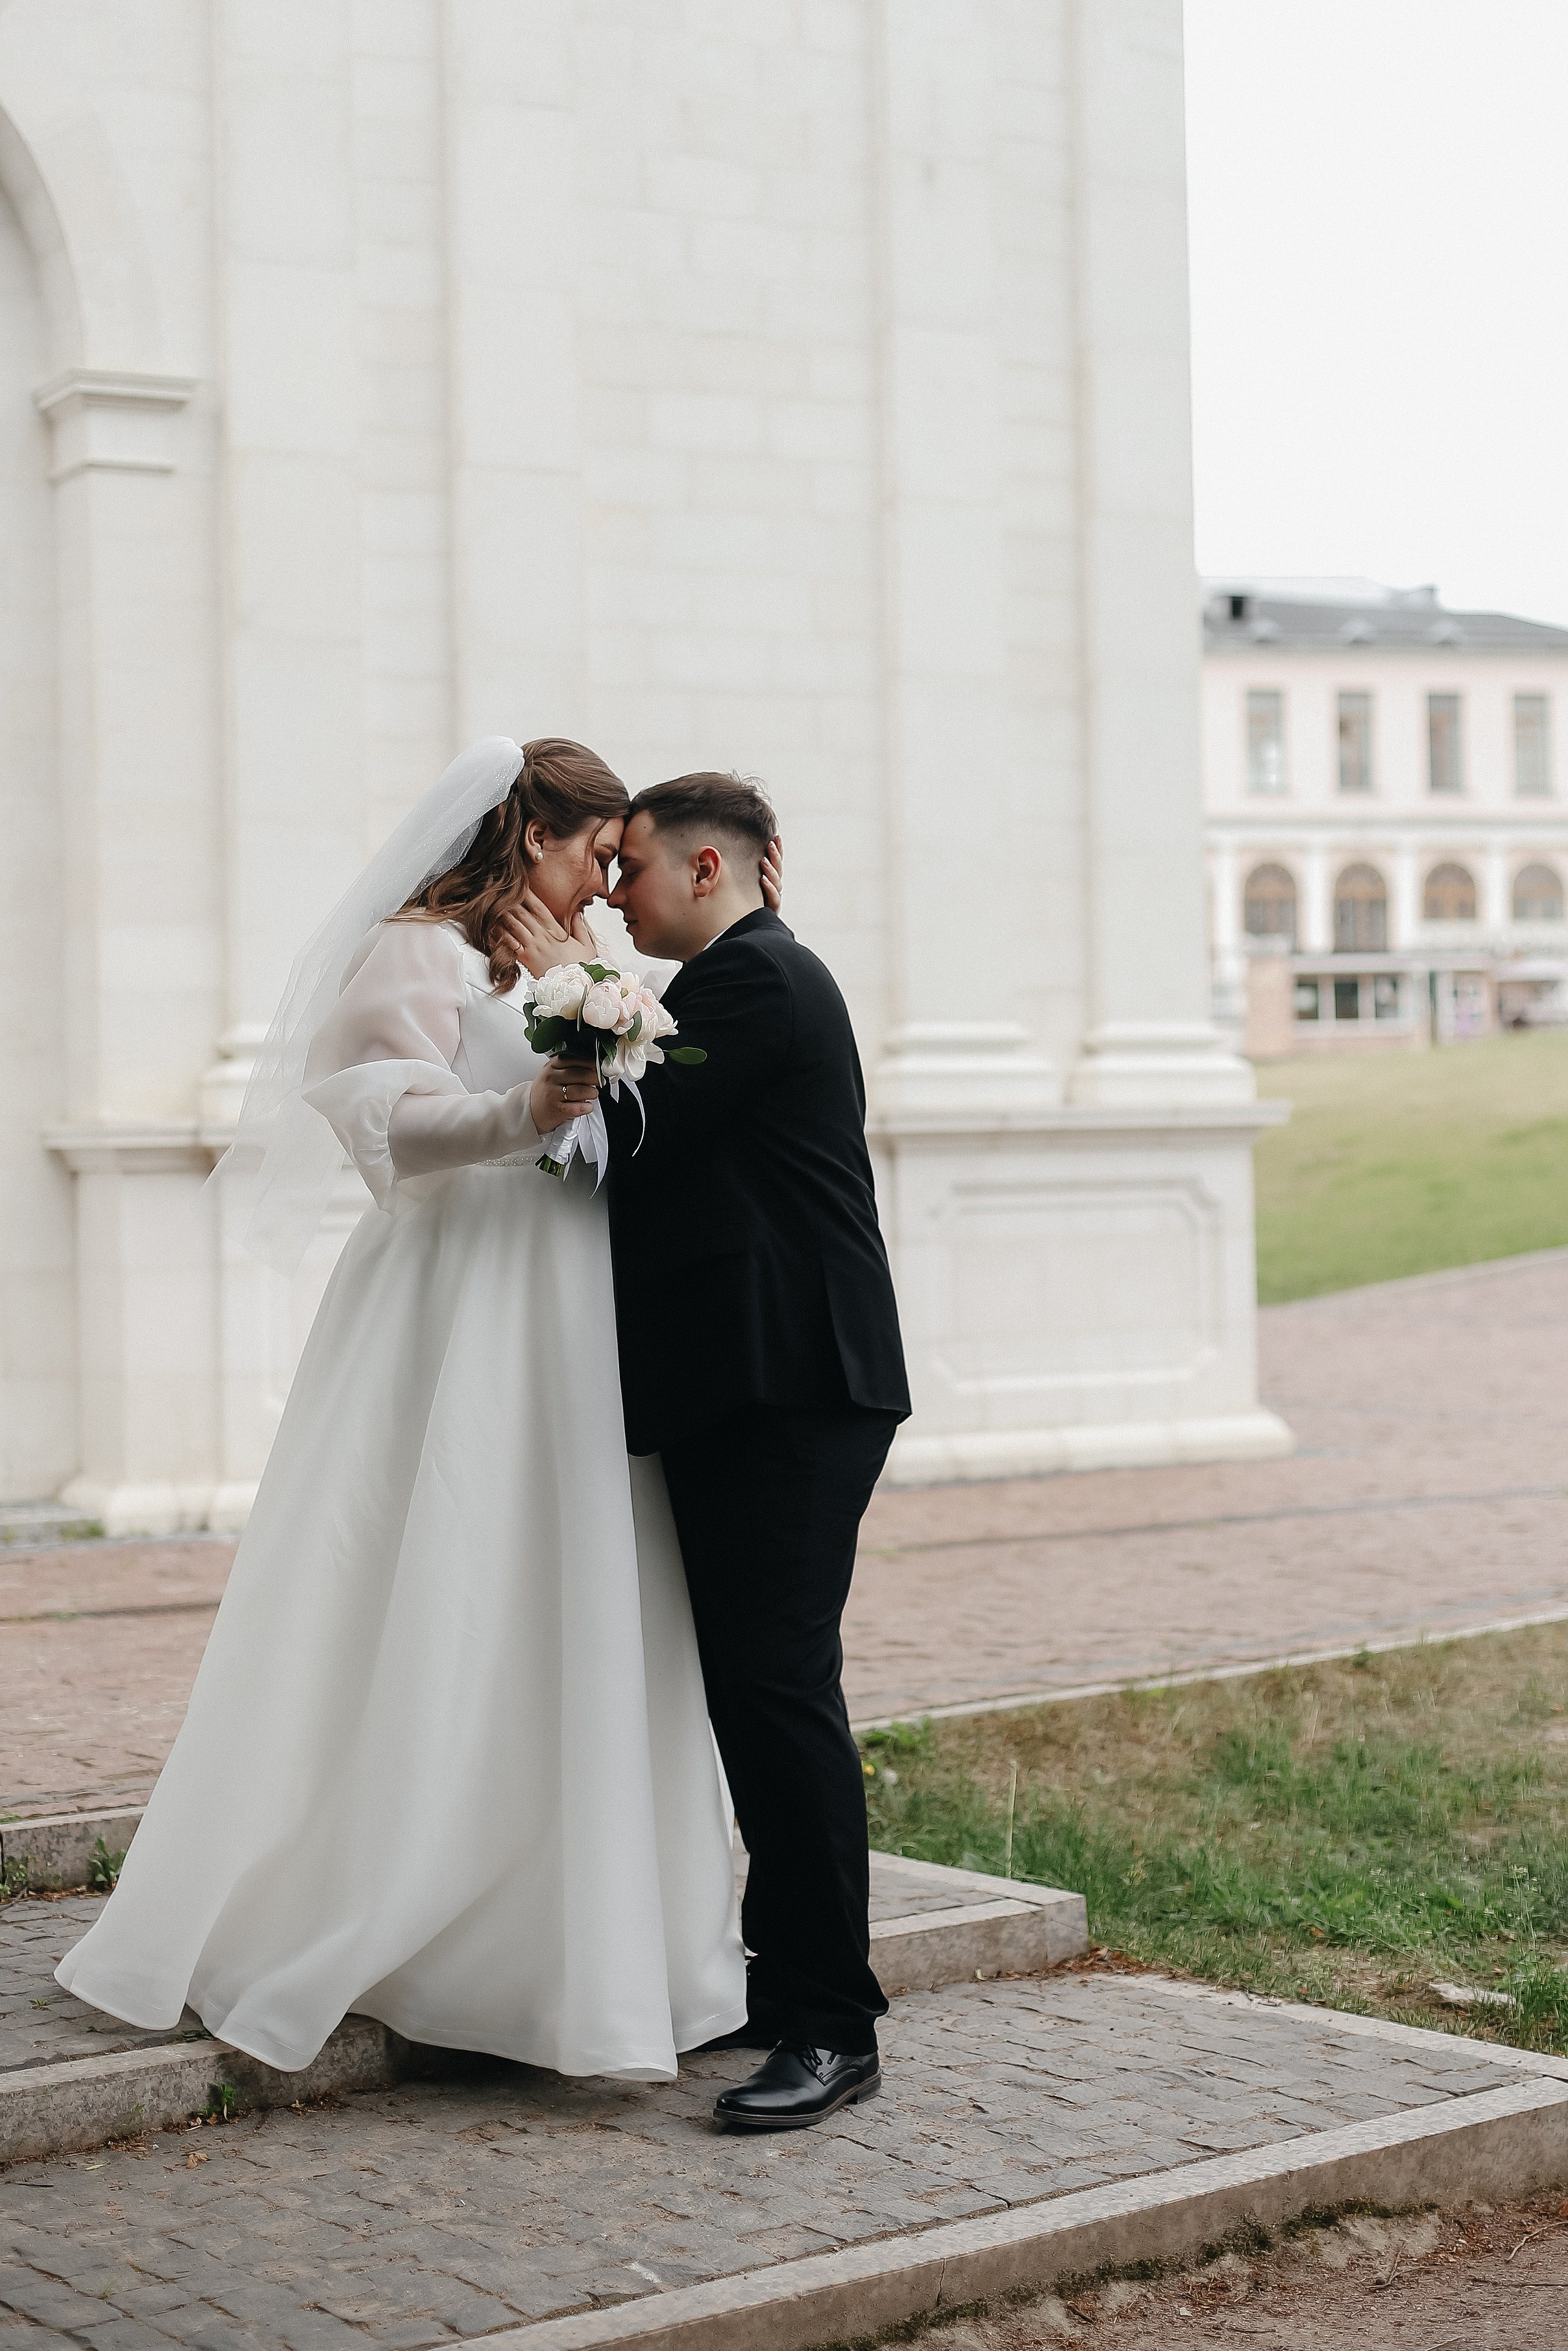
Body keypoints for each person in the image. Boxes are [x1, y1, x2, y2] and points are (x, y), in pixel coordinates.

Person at [55, 737, 749, 2081]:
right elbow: (383, 1127)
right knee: (447, 1562)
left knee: (585, 1588)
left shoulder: (584, 966)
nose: (611, 885)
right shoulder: (420, 953)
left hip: (579, 1306)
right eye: (594, 851)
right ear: (529, 829)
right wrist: (523, 1104)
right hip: (465, 1298)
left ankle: (586, 1934)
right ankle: (392, 1901)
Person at [608, 773, 912, 2130]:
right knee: (752, 1691)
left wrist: (558, 1021)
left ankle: (830, 2023)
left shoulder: (755, 986)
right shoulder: (732, 985)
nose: (614, 899)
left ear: (710, 867)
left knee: (779, 1694)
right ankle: (781, 1984)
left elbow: (624, 1134)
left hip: (791, 1386)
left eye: (631, 872)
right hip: (751, 1384)